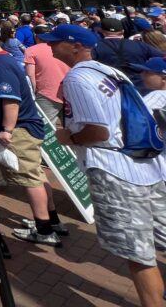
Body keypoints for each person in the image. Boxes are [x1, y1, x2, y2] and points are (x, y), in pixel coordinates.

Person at [46, 25, 166, 307]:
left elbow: (98, 132)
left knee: (138, 254)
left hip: (114, 169)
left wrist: (69, 137)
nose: (50, 47)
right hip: (146, 164)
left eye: (56, 42)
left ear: (74, 46)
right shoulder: (112, 71)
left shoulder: (77, 78)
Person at [0, 24, 65, 252]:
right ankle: (49, 220)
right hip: (21, 127)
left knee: (29, 177)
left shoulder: (0, 64)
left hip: (19, 129)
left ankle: (44, 230)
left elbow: (10, 100)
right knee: (36, 174)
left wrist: (7, 129)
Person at [94, 17, 165, 90]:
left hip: (113, 90)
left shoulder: (95, 47)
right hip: (141, 88)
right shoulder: (139, 45)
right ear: (122, 31)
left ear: (101, 31)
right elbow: (163, 57)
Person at [24, 25, 70, 125]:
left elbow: (30, 75)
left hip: (47, 93)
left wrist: (33, 93)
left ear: (36, 36)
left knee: (44, 127)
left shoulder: (31, 50)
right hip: (69, 91)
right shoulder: (62, 47)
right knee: (71, 127)